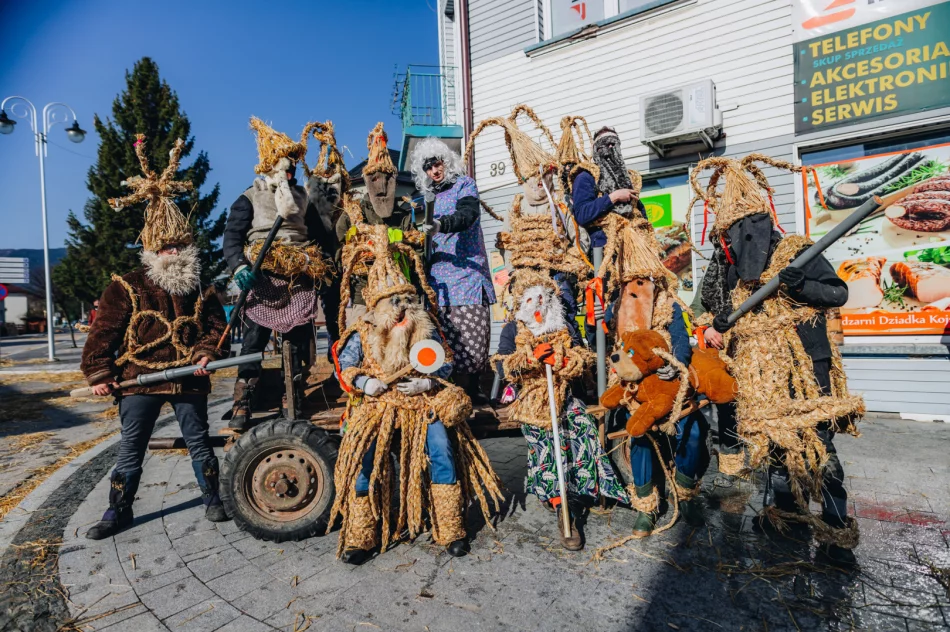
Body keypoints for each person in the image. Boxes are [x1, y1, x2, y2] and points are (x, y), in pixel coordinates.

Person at [692, 153, 864, 566]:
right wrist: (718, 325)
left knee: (818, 448)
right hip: (761, 378)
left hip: (807, 373)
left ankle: (837, 533)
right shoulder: (733, 268)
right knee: (772, 448)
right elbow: (727, 313)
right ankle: (786, 517)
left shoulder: (796, 251)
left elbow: (838, 293)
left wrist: (802, 285)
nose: (738, 242)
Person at [81, 135, 229, 540]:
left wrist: (205, 352)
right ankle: (118, 511)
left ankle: (212, 498)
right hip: (137, 381)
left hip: (188, 379)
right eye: (166, 248)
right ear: (151, 249)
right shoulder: (126, 287)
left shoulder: (200, 288)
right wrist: (99, 374)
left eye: (181, 246)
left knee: (199, 443)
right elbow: (103, 333)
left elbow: (217, 328)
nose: (174, 254)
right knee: (131, 448)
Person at [329, 224, 502, 564]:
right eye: (394, 302)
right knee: (363, 456)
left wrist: (430, 381)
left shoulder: (426, 328)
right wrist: (365, 384)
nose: (403, 309)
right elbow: (345, 368)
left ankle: (451, 529)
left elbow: (446, 362)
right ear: (378, 306)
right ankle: (361, 536)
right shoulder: (362, 333)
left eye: (408, 300)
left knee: (441, 449)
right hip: (378, 404)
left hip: (421, 402)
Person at [493, 269, 628, 550]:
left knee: (581, 429)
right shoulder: (512, 330)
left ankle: (581, 490)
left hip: (566, 396)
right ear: (522, 302)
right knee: (545, 441)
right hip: (532, 400)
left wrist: (566, 361)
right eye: (532, 299)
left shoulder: (563, 327)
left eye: (544, 298)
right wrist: (529, 359)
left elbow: (582, 355)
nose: (539, 305)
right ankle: (561, 505)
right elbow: (502, 365)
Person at [223, 118, 336, 429]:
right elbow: (231, 239)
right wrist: (240, 267)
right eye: (284, 169)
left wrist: (324, 262)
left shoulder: (302, 197)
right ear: (270, 166)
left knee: (297, 339)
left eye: (292, 170)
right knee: (253, 340)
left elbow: (320, 237)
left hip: (298, 275)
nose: (288, 174)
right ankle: (243, 398)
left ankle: (293, 393)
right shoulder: (250, 196)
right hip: (262, 275)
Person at [410, 136, 495, 403]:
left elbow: (468, 214)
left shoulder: (465, 185)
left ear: (446, 162)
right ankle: (450, 395)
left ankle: (471, 393)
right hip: (440, 282)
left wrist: (440, 225)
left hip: (468, 275)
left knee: (473, 340)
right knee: (446, 341)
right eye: (428, 167)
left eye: (437, 164)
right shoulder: (425, 199)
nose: (434, 171)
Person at [335, 123, 418, 326]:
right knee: (361, 345)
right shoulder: (353, 215)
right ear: (367, 181)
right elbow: (338, 251)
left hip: (399, 294)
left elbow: (417, 255)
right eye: (375, 178)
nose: (381, 186)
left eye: (387, 178)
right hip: (361, 295)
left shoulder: (404, 216)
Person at [690, 276, 743, 483]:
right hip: (723, 353)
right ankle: (731, 466)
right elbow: (696, 308)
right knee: (726, 405)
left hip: (760, 353)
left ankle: (776, 472)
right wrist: (708, 328)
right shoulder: (715, 273)